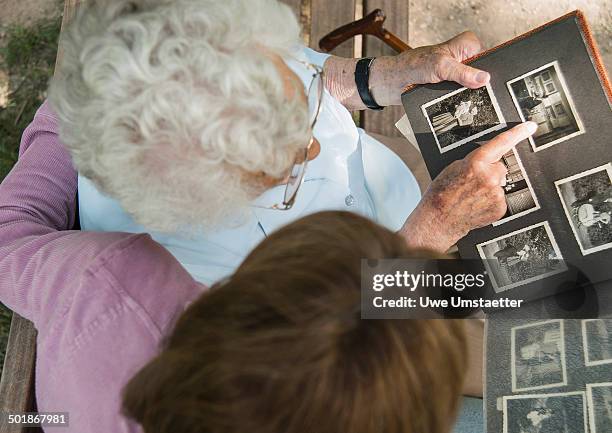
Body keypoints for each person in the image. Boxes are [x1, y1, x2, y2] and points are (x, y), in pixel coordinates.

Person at [0, 102, 509, 432]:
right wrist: (429, 234)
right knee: (529, 346)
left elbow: (9, 240)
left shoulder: (112, 281)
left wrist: (73, 108)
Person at [49, 0, 504, 285]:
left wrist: (403, 73)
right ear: (211, 203)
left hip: (391, 187)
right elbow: (334, 352)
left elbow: (319, 74)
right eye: (285, 173)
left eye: (300, 98)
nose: (317, 149)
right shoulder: (167, 266)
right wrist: (431, 232)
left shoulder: (214, 48)